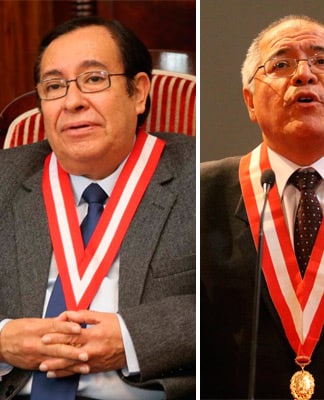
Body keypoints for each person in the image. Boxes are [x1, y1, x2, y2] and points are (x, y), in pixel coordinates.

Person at [200, 15, 324, 399]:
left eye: (322, 61)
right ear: (249, 102)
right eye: (280, 65)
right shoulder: (204, 194)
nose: (304, 75)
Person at [0, 17, 195, 399]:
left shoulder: (197, 177)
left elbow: (232, 307)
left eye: (93, 79)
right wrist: (3, 338)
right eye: (54, 86)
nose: (72, 102)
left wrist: (133, 339)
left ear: (138, 92)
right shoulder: (6, 177)